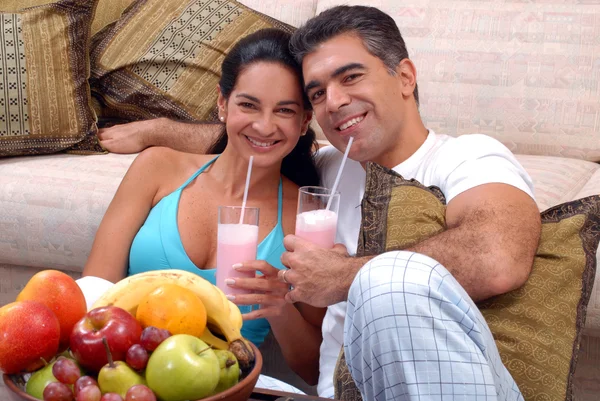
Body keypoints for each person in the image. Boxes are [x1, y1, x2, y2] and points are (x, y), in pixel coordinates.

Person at [93, 6, 542, 400]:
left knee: (393, 281)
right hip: (331, 392)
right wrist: (155, 130)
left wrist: (345, 275)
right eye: (318, 93)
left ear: (405, 77)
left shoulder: (465, 156)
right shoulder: (324, 175)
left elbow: (497, 255)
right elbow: (260, 135)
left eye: (350, 77)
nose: (336, 102)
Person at [82, 28, 325, 385]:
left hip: (223, 385)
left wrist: (281, 307)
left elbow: (316, 368)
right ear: (222, 103)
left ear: (304, 121)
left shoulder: (307, 216)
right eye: (248, 104)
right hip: (126, 377)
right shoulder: (158, 167)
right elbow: (94, 289)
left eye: (284, 110)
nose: (264, 125)